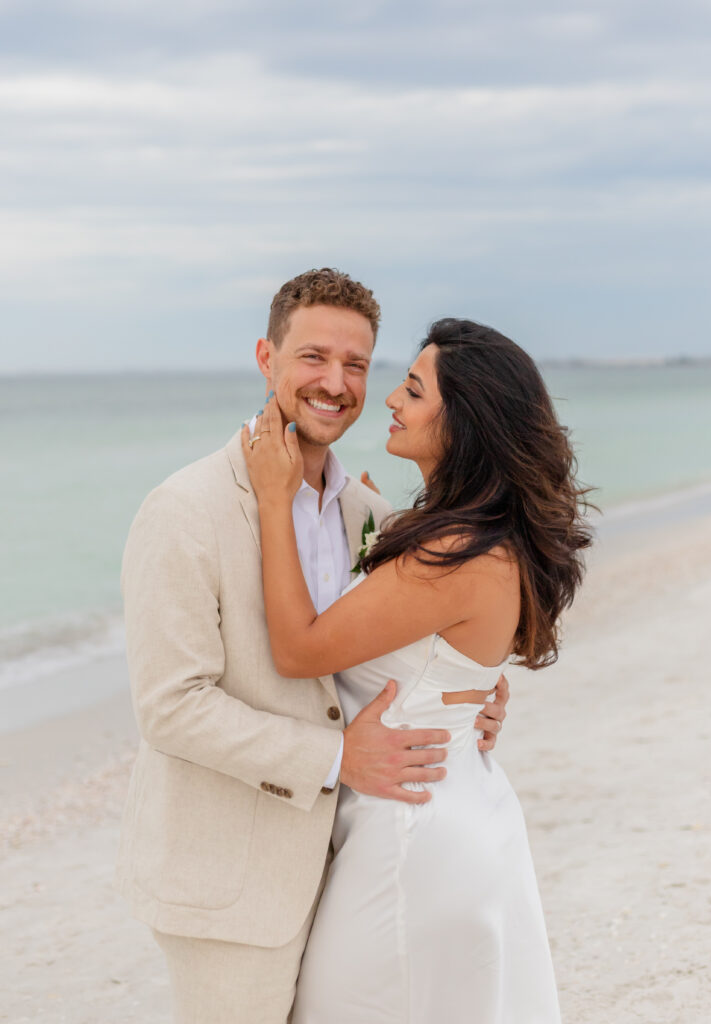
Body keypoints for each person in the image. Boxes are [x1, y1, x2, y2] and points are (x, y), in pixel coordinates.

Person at [116, 269, 509, 1023]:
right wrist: (335, 759)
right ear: (267, 358)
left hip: (354, 866)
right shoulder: (184, 510)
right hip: (233, 884)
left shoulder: (373, 512)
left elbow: (408, 643)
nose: (335, 383)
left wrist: (475, 693)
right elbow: (171, 707)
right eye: (313, 358)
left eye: (356, 364)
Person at [242, 316, 592, 1023]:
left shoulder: (455, 552)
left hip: (416, 838)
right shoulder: (476, 533)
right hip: (459, 808)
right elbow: (449, 658)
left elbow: (299, 650)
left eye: (413, 389)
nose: (392, 402)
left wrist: (276, 502)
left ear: (462, 420)